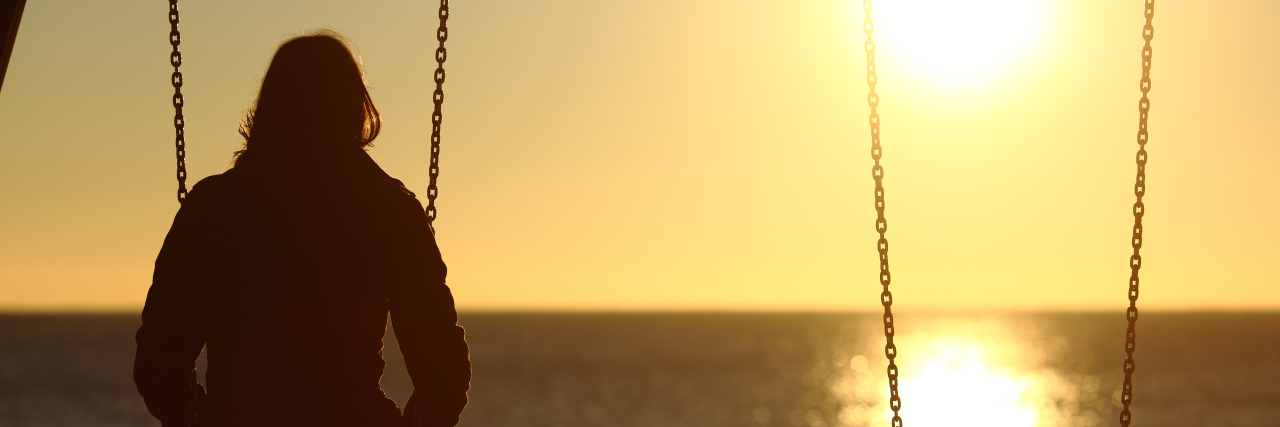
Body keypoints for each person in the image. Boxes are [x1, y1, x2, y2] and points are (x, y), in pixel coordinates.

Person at [133, 32, 471, 427]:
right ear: (355, 109)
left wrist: (204, 416)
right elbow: (444, 377)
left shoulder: (212, 208)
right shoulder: (389, 210)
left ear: (269, 108)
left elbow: (159, 365)